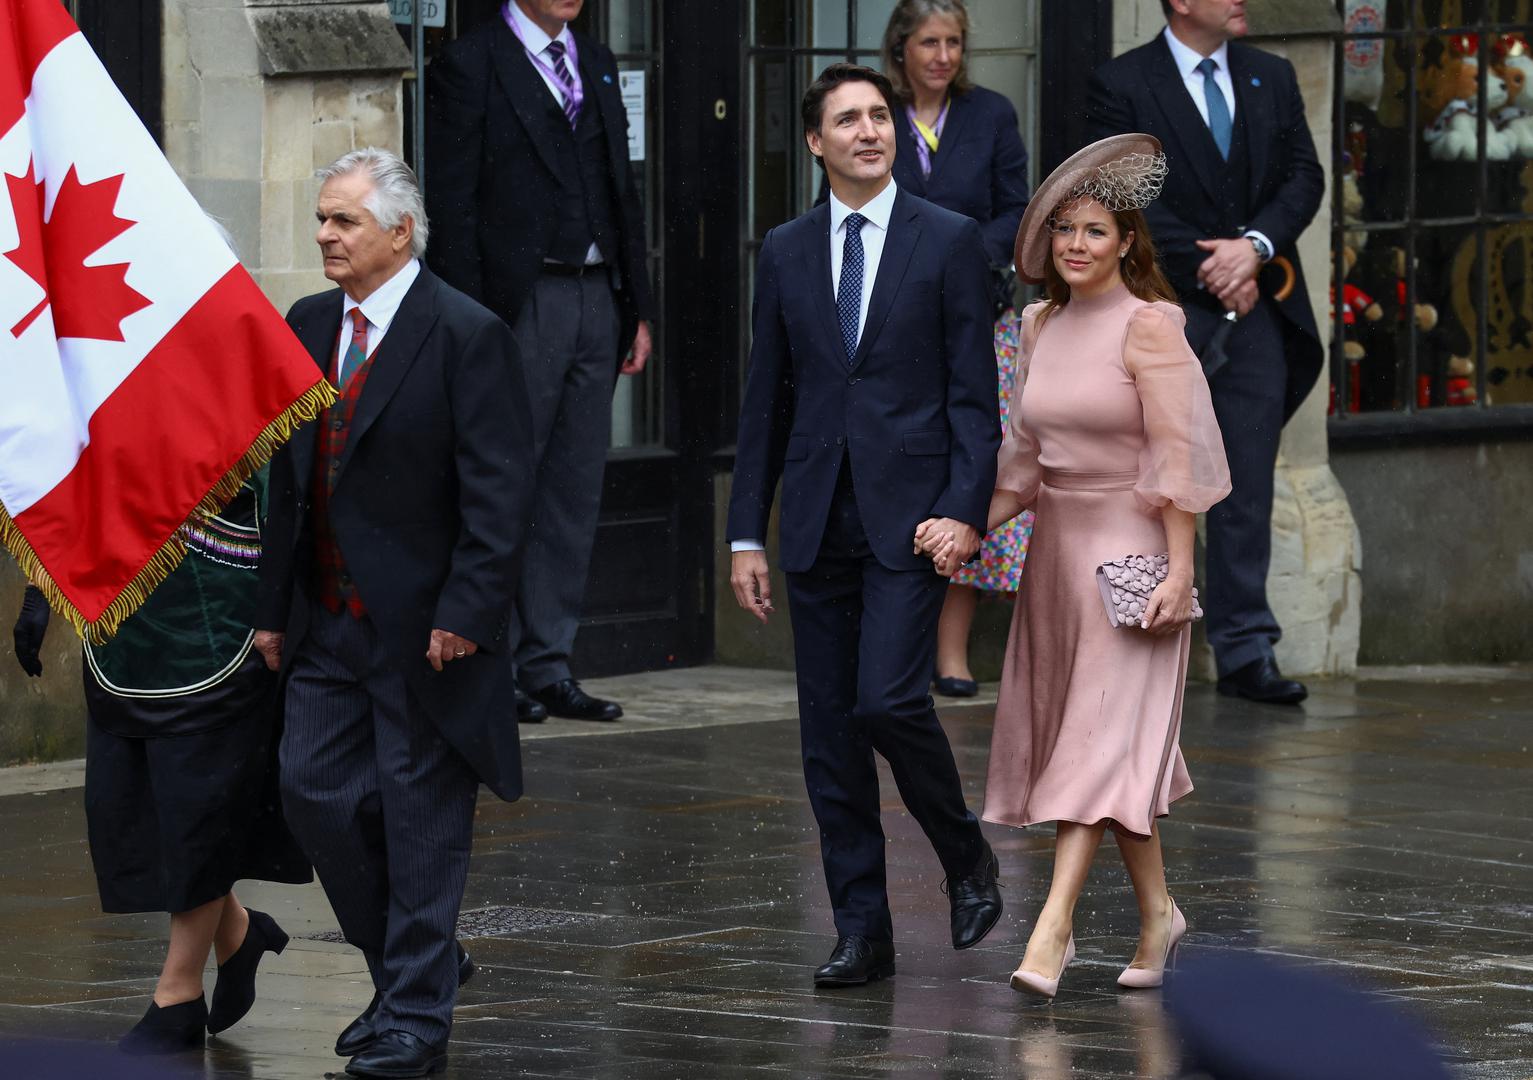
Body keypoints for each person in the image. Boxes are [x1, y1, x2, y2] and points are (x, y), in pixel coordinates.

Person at [923, 134, 1230, 997]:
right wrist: (964, 527)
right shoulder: (1038, 324)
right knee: (1101, 753)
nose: (1076, 246)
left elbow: (1179, 464)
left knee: (1095, 752)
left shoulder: (1150, 326)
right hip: (1055, 566)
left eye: (1094, 231)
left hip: (1133, 566)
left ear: (1126, 239)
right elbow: (1020, 464)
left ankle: (1050, 930)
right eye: (1063, 231)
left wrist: (1177, 573)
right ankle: (1158, 918)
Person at [253, 148, 531, 1079]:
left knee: (419, 817)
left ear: (400, 232)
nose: (325, 236)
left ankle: (414, 1016)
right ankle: (421, 969)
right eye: (322, 220)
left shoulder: (466, 332)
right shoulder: (305, 323)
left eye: (344, 222)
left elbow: (498, 494)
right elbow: (284, 482)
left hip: (427, 628)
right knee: (312, 792)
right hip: (325, 617)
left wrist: (468, 611)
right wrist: (270, 609)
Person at [727, 63, 1003, 989]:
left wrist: (966, 511)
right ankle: (861, 929)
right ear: (816, 142)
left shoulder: (950, 240)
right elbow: (765, 400)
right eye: (846, 120)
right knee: (829, 737)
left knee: (886, 700)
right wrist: (743, 535)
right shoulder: (787, 248)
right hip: (814, 518)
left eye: (879, 116)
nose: (867, 131)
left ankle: (964, 857)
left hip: (913, 520)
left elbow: (976, 398)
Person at [10, 471, 311, 1055]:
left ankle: (178, 997)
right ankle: (238, 933)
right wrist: (40, 580)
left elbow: (281, 465)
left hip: (221, 598)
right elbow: (69, 449)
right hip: (122, 607)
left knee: (195, 800)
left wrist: (282, 599)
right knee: (135, 802)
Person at [1086, 0, 1324, 706]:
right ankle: (1137, 634)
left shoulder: (1271, 76)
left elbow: (1302, 178)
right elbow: (1121, 196)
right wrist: (1211, 267)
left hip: (1255, 311)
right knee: (1150, 481)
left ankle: (1246, 649)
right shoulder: (1122, 82)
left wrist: (1252, 251)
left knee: (1246, 480)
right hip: (1164, 310)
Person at [424, 0, 656, 725]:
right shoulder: (468, 64)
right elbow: (452, 204)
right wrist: (469, 323)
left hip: (597, 297)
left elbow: (623, 184)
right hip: (513, 307)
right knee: (501, 486)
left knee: (572, 489)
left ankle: (549, 664)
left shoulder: (597, 60)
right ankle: (492, 665)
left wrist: (638, 305)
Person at [877, 0, 1035, 698]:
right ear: (901, 49)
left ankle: (951, 653)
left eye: (953, 42)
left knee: (972, 464)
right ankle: (895, 646)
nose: (942, 55)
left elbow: (1014, 209)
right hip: (892, 318)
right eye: (928, 42)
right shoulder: (876, 114)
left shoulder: (990, 114)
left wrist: (965, 254)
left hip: (979, 312)